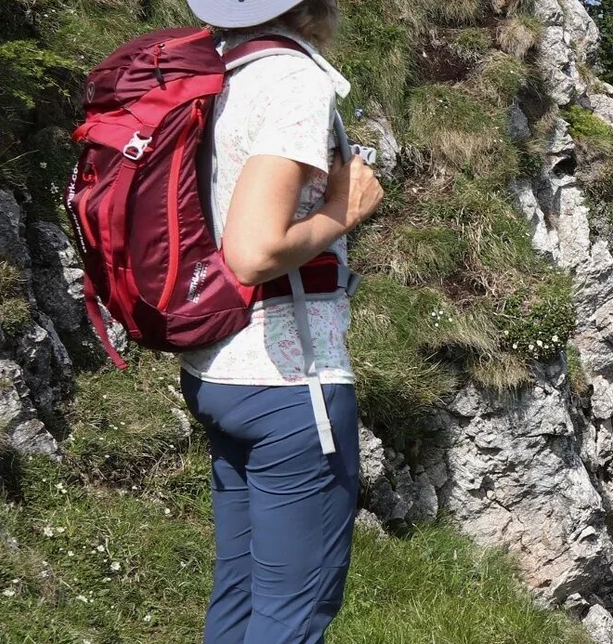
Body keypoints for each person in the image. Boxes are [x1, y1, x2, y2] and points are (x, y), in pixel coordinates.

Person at [178, 0, 383, 640]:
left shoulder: (216, 71)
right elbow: (253, 251)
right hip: (292, 385)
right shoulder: (294, 80)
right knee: (291, 620)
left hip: (216, 370)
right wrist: (346, 210)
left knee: (239, 600)